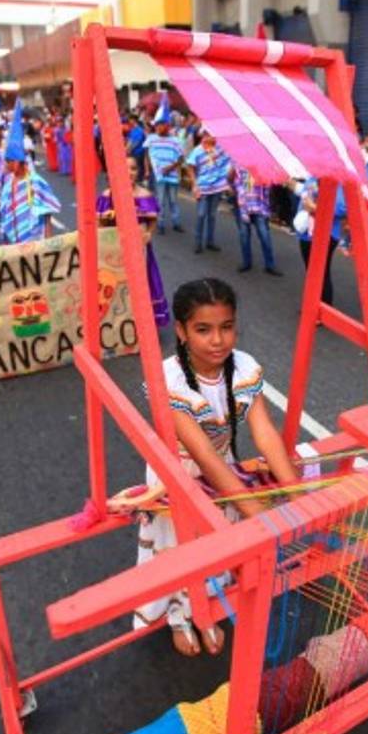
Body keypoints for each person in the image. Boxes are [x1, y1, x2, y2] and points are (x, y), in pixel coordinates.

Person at [134, 277, 296, 656]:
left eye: (226, 327)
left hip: (221, 465)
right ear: (181, 331)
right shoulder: (168, 381)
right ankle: (179, 617)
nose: (218, 340)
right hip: (178, 472)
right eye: (203, 330)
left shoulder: (243, 367)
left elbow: (265, 433)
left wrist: (295, 494)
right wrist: (256, 511)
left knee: (217, 543)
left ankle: (205, 606)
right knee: (181, 544)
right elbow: (202, 454)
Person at [96, 156, 170, 327]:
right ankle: (117, 325)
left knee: (141, 285)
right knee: (115, 285)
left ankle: (142, 325)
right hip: (114, 252)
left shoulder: (145, 195)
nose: (129, 173)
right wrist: (107, 221)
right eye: (125, 168)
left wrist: (149, 233)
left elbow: (152, 220)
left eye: (133, 169)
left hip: (139, 249)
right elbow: (100, 224)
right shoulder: (107, 196)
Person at [0, 118, 60, 245]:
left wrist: (49, 242)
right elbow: (5, 214)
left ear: (20, 162)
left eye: (10, 161)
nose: (7, 164)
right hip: (14, 240)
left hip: (35, 241)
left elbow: (47, 213)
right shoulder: (7, 185)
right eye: (6, 161)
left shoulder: (36, 182)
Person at [295, 176, 346, 306]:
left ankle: (324, 307)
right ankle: (312, 307)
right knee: (311, 272)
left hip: (325, 234)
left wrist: (314, 207)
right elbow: (303, 193)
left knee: (322, 273)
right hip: (307, 234)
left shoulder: (335, 182)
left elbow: (341, 208)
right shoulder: (311, 178)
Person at [185, 131, 230, 254]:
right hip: (203, 187)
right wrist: (194, 184)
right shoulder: (198, 151)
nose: (212, 137)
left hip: (217, 187)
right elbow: (190, 166)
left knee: (212, 215)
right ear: (204, 136)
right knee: (201, 214)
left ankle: (210, 241)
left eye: (212, 135)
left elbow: (228, 160)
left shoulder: (220, 148)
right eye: (208, 135)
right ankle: (198, 242)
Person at [230, 166, 280, 276]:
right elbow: (231, 181)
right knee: (244, 235)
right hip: (243, 206)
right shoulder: (237, 163)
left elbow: (271, 183)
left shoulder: (263, 165)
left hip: (259, 206)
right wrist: (232, 172)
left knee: (264, 236)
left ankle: (270, 265)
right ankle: (246, 262)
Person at [144, 105, 185, 234]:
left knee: (173, 200)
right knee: (160, 200)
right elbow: (147, 155)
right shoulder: (151, 139)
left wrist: (171, 167)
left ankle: (176, 222)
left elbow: (181, 158)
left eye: (162, 125)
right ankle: (160, 224)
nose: (159, 127)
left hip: (172, 175)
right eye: (157, 125)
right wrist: (147, 170)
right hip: (158, 174)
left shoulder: (175, 140)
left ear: (168, 126)